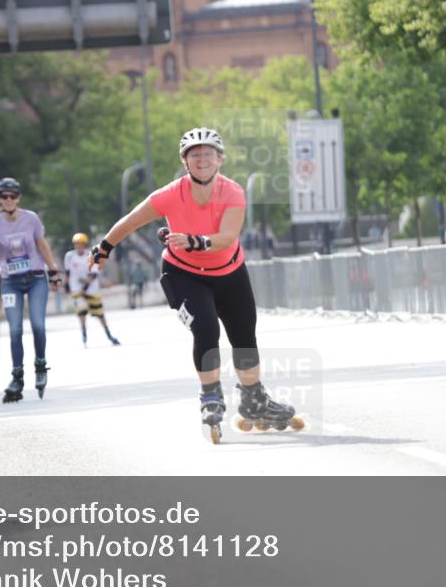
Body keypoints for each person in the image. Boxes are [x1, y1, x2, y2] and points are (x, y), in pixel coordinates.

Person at [87, 127, 302, 443]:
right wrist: (104, 247)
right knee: (206, 329)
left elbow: (228, 237)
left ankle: (255, 399)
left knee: (244, 336)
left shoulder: (232, 192)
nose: (202, 159)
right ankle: (210, 396)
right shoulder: (170, 194)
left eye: (208, 153)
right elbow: (131, 221)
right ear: (185, 161)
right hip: (182, 273)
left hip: (229, 272)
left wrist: (194, 240)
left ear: (220, 159)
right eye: (195, 154)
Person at [0, 177, 62, 402]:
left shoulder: (31, 218)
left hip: (36, 278)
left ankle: (40, 365)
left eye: (13, 196)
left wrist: (53, 271)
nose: (8, 200)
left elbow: (42, 245)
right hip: (10, 283)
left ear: (19, 198)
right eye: (4, 196)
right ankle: (17, 376)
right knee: (15, 329)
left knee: (37, 324)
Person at [64, 232, 120, 346]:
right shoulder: (69, 256)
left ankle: (109, 334)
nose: (78, 246)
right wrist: (66, 286)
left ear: (84, 245)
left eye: (81, 244)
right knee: (82, 311)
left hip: (91, 288)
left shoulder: (90, 255)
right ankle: (84, 334)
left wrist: (85, 287)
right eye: (77, 244)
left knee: (99, 313)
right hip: (76, 288)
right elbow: (67, 272)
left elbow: (94, 274)